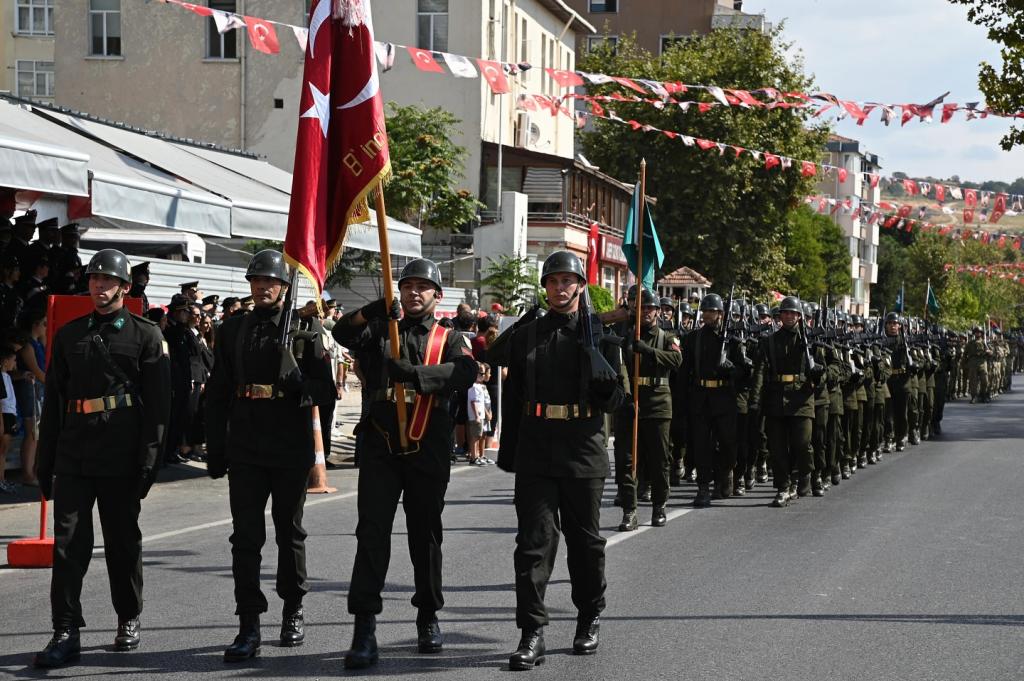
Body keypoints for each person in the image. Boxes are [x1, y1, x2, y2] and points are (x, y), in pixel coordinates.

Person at [331, 258, 476, 669]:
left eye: (423, 287)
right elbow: (343, 332)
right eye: (408, 285)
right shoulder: (382, 327)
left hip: (427, 440)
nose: (414, 292)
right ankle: (364, 628)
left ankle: (428, 613)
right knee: (371, 533)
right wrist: (373, 309)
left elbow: (465, 372)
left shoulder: (449, 336)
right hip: (380, 441)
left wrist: (416, 375)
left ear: (437, 295)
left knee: (425, 533)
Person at [33, 249, 170, 668]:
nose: (99, 286)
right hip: (75, 451)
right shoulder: (70, 335)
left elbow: (159, 406)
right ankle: (66, 629)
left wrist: (149, 461)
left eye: (108, 280)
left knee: (122, 541)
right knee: (68, 545)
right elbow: (54, 403)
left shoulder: (146, 336)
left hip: (120, 454)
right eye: (94, 279)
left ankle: (128, 615)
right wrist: (45, 459)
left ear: (125, 288)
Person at [204, 250, 334, 662]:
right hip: (245, 443)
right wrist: (215, 446)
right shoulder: (233, 329)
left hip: (288, 443)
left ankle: (293, 608)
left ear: (283, 287)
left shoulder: (305, 328)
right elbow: (219, 391)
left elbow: (326, 392)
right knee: (245, 538)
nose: (262, 286)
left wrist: (297, 382)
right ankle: (248, 623)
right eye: (256, 280)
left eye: (270, 281)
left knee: (288, 533)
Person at [497, 251, 624, 670]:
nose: (560, 288)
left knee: (585, 543)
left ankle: (589, 616)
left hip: (583, 446)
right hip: (536, 446)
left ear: (581, 286)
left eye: (568, 281)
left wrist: (604, 381)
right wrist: (508, 451)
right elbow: (503, 376)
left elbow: (617, 399)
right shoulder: (529, 335)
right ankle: (531, 632)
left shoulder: (600, 335)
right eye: (552, 281)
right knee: (532, 543)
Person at [617, 286, 681, 529]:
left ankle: (659, 505)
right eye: (642, 308)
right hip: (631, 401)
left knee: (659, 459)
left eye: (651, 308)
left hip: (657, 403)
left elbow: (676, 360)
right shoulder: (628, 334)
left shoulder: (668, 337)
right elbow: (620, 365)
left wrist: (649, 351)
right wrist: (627, 394)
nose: (647, 312)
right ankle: (629, 511)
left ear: (657, 312)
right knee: (627, 460)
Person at [755, 296, 823, 507]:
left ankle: (802, 474)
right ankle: (783, 487)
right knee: (777, 447)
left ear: (800, 317)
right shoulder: (768, 341)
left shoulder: (811, 341)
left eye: (793, 313)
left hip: (802, 398)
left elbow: (825, 369)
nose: (789, 316)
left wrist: (819, 373)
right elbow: (761, 371)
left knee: (802, 443)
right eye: (785, 312)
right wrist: (756, 401)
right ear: (780, 316)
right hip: (776, 398)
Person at [0, 345, 18, 493]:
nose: (15, 364)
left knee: (4, 451)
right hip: (4, 415)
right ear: (5, 361)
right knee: (2, 450)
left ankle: (2, 479)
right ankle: (1, 480)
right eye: (13, 360)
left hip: (10, 414)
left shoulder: (7, 376)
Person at [466, 364, 492, 465]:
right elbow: (473, 402)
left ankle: (476, 456)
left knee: (478, 436)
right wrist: (477, 415)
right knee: (475, 437)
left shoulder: (479, 386)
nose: (483, 375)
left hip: (480, 416)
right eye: (480, 374)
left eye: (483, 374)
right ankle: (473, 457)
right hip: (476, 416)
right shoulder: (473, 386)